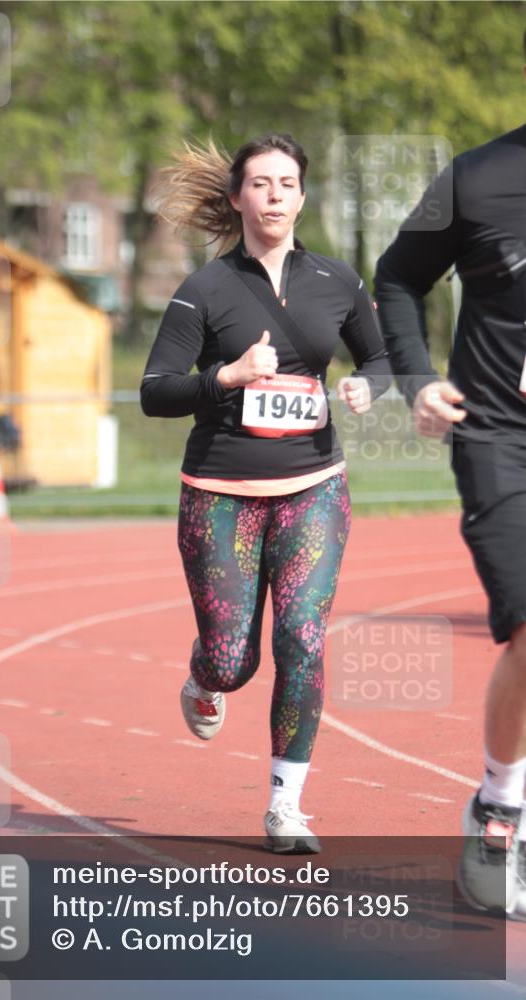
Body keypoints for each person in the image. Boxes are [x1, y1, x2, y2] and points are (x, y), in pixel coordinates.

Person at [141, 133, 391, 852]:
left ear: (302, 197)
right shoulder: (204, 289)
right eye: (260, 183)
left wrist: (363, 386)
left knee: (303, 638)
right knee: (232, 659)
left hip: (312, 485)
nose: (275, 195)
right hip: (219, 492)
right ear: (236, 198)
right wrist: (225, 376)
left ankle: (286, 806)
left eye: (287, 183)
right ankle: (204, 676)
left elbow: (377, 358)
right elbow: (156, 392)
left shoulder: (336, 282)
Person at [374, 45, 525, 915]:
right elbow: (395, 278)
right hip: (499, 436)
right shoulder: (472, 179)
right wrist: (414, 380)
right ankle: (498, 805)